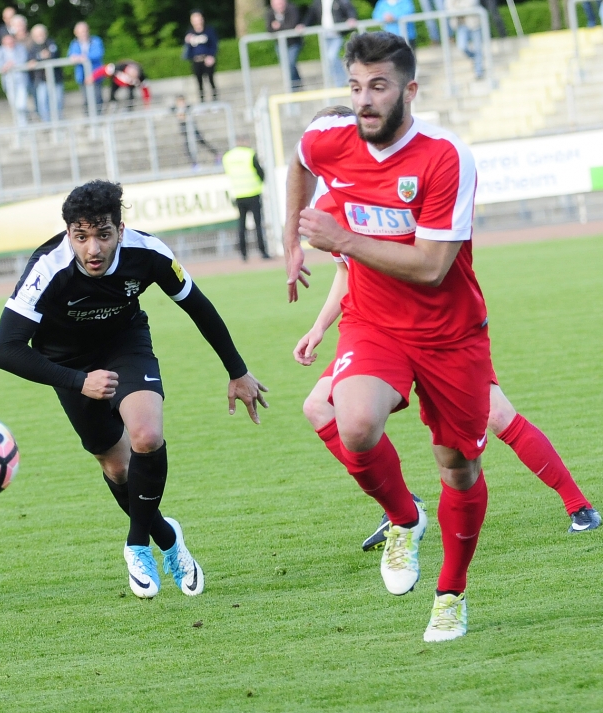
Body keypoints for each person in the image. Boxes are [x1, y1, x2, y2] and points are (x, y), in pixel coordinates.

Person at [290, 107, 600, 552]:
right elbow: (346, 271)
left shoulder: (396, 179)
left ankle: (578, 505)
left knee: (496, 414)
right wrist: (319, 327)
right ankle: (401, 507)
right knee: (319, 406)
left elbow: (435, 259)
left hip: (439, 328)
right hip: (376, 330)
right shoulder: (325, 206)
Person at [283, 32, 492, 642]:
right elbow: (298, 158)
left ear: (409, 90)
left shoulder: (445, 155)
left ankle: (451, 594)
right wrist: (293, 241)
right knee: (353, 423)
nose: (365, 100)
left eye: (378, 86)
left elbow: (431, 266)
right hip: (374, 324)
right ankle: (404, 519)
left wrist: (339, 240)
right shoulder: (331, 140)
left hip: (451, 335)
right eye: (355, 87)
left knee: (459, 467)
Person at [0, 179, 267, 599]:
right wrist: (79, 381)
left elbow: (198, 306)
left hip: (125, 346)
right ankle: (168, 537)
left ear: (120, 228)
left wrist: (237, 371)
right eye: (81, 237)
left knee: (146, 435)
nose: (93, 249)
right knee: (118, 469)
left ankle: (137, 544)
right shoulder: (47, 268)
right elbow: (4, 350)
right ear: (69, 234)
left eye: (103, 234)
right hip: (67, 364)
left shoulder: (148, 253)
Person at [222, 139, 270, 261]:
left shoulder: (228, 156)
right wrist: (260, 183)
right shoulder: (250, 154)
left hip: (238, 194)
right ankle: (263, 251)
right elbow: (260, 172)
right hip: (253, 192)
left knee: (241, 225)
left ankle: (243, 253)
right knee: (258, 224)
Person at [302, 0, 359, 87]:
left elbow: (350, 10)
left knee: (331, 56)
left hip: (337, 34)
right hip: (324, 35)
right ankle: (338, 81)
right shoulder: (317, 3)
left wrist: (352, 18)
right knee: (328, 60)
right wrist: (303, 25)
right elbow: (310, 16)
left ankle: (341, 81)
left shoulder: (340, 1)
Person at [29, 24, 65, 122]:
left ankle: (58, 122)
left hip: (56, 79)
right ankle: (46, 123)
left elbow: (54, 54)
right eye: (37, 35)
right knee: (42, 102)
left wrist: (40, 58)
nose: (39, 36)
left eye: (41, 34)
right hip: (41, 80)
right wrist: (39, 57)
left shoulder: (52, 43)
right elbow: (31, 59)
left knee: (57, 101)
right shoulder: (32, 47)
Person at [0, 33, 30, 127]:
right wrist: (4, 66)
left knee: (21, 103)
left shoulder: (20, 48)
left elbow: (24, 60)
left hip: (21, 80)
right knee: (14, 103)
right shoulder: (0, 51)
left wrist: (13, 64)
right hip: (8, 81)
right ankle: (19, 122)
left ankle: (23, 122)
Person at [266, 0, 305, 89]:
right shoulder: (270, 13)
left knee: (290, 63)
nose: (279, 6)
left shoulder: (292, 9)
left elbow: (292, 25)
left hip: (294, 42)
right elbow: (269, 29)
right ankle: (296, 83)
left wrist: (278, 26)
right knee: (285, 66)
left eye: (281, 3)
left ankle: (295, 87)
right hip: (280, 44)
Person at [68, 21, 106, 112]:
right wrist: (77, 58)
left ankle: (98, 117)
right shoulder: (74, 44)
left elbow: (98, 53)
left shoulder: (96, 41)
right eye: (81, 32)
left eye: (85, 31)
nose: (83, 34)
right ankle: (88, 118)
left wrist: (84, 57)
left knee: (97, 97)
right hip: (82, 76)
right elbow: (72, 56)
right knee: (86, 98)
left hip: (96, 74)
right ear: (76, 33)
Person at [173, 95, 220, 167]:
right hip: (185, 132)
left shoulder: (188, 107)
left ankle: (216, 155)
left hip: (193, 130)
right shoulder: (176, 108)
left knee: (203, 142)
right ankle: (194, 163)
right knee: (187, 148)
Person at [184, 10, 219, 102]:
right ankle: (202, 101)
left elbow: (214, 45)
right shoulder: (190, 33)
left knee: (211, 80)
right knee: (199, 83)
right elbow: (188, 51)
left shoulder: (208, 31)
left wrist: (211, 56)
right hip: (196, 61)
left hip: (207, 59)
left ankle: (215, 100)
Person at [446, 0, 485, 79]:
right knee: (462, 47)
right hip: (461, 24)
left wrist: (457, 7)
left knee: (478, 48)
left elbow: (472, 3)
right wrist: (462, 7)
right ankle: (476, 58)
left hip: (474, 22)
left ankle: (479, 71)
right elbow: (448, 7)